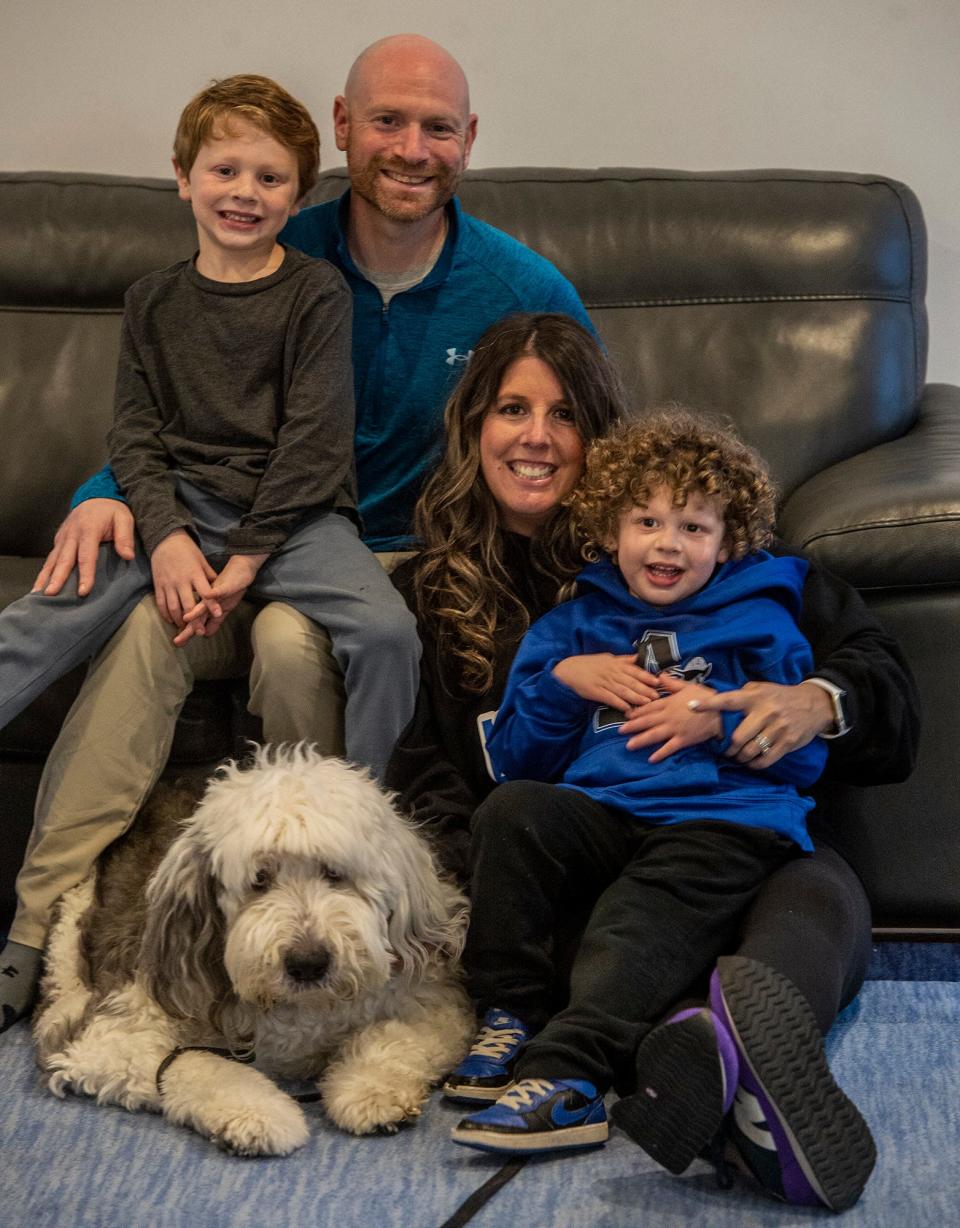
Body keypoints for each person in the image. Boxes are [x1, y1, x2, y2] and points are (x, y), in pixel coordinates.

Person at [0, 35, 592, 1031]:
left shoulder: (522, 286)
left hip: (374, 554)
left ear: (470, 141)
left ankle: (329, 910)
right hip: (215, 530)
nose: (412, 147)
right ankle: (40, 920)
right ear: (345, 130)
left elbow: (588, 431)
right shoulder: (275, 237)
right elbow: (179, 415)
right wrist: (108, 489)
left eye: (437, 126)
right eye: (388, 121)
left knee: (282, 641)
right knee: (153, 631)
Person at [383, 314, 919, 1210]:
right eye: (512, 409)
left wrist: (804, 705)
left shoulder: (759, 587)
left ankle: (721, 1051)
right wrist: (557, 685)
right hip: (570, 854)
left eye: (564, 417)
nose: (537, 438)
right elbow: (453, 786)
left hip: (725, 830)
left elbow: (873, 700)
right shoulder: (455, 602)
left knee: (815, 899)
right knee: (560, 870)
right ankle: (680, 1057)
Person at [0, 72, 421, 1022]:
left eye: (271, 178)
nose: (245, 192)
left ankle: (371, 819)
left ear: (300, 194)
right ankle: (25, 936)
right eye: (224, 169)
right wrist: (168, 538)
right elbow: (136, 436)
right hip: (180, 509)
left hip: (298, 519)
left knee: (389, 632)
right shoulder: (152, 300)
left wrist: (240, 561)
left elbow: (316, 443)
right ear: (182, 177)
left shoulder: (316, 294)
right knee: (40, 621)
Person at [445, 410, 829, 1150]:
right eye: (647, 521)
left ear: (727, 544)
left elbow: (804, 760)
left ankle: (569, 1078)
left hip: (721, 818)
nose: (667, 543)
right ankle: (507, 1015)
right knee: (511, 813)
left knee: (634, 922)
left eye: (694, 527)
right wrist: (562, 682)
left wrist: (720, 721)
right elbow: (518, 762)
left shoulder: (762, 625)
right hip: (602, 809)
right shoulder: (571, 628)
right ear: (610, 531)